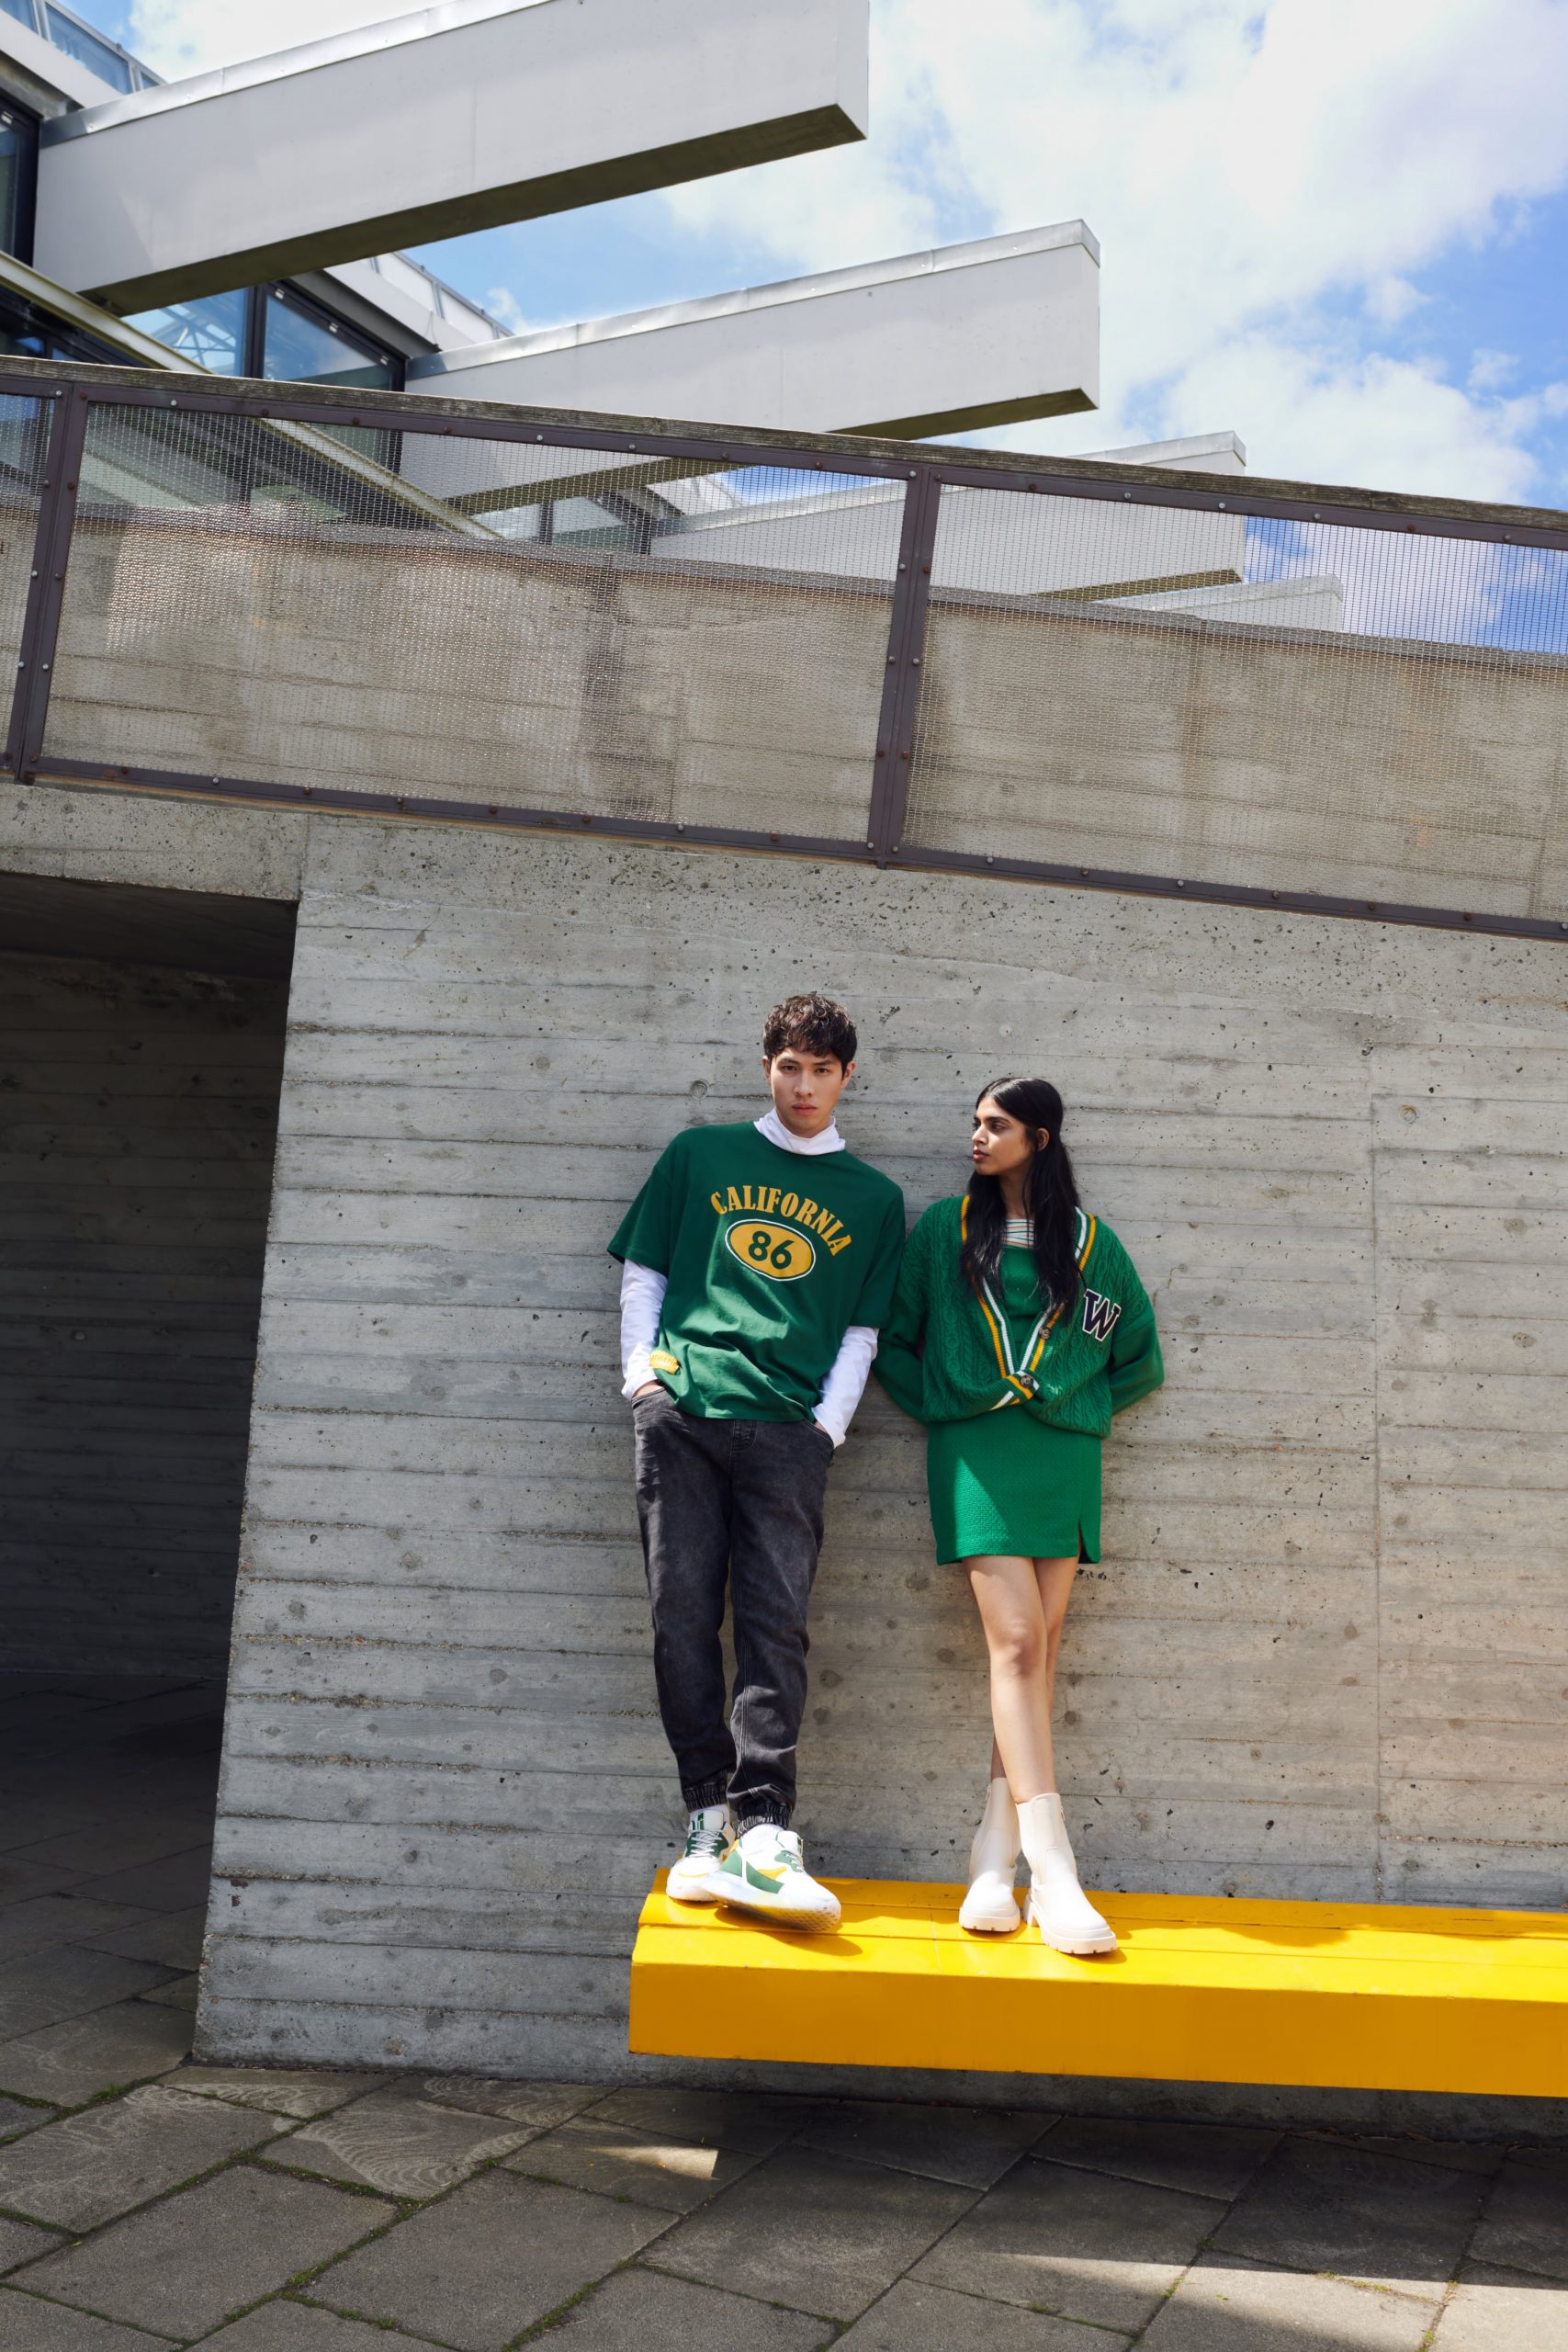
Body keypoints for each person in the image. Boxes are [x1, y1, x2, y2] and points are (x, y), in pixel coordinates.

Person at [609, 993, 905, 1930]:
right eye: (789, 1067)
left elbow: (861, 1331)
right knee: (681, 1617)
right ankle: (706, 1820)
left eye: (821, 1070)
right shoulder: (699, 1156)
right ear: (766, 1066)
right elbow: (646, 1271)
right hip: (684, 1415)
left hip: (787, 1433)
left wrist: (826, 1429)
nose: (803, 1085)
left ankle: (765, 1829)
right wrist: (642, 1381)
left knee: (776, 1628)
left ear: (846, 1076)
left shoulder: (873, 1198)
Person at [874, 1077, 1162, 1956]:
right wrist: (950, 1405)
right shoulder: (944, 1230)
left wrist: (1073, 1403)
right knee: (1016, 1645)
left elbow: (1138, 1358)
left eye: (995, 1125)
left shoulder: (1091, 1244)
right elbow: (893, 1340)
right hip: (976, 1458)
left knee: (1036, 1659)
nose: (977, 1136)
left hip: (1061, 1461)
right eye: (974, 1122)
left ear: (1038, 1138)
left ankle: (993, 1861)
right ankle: (1056, 1869)